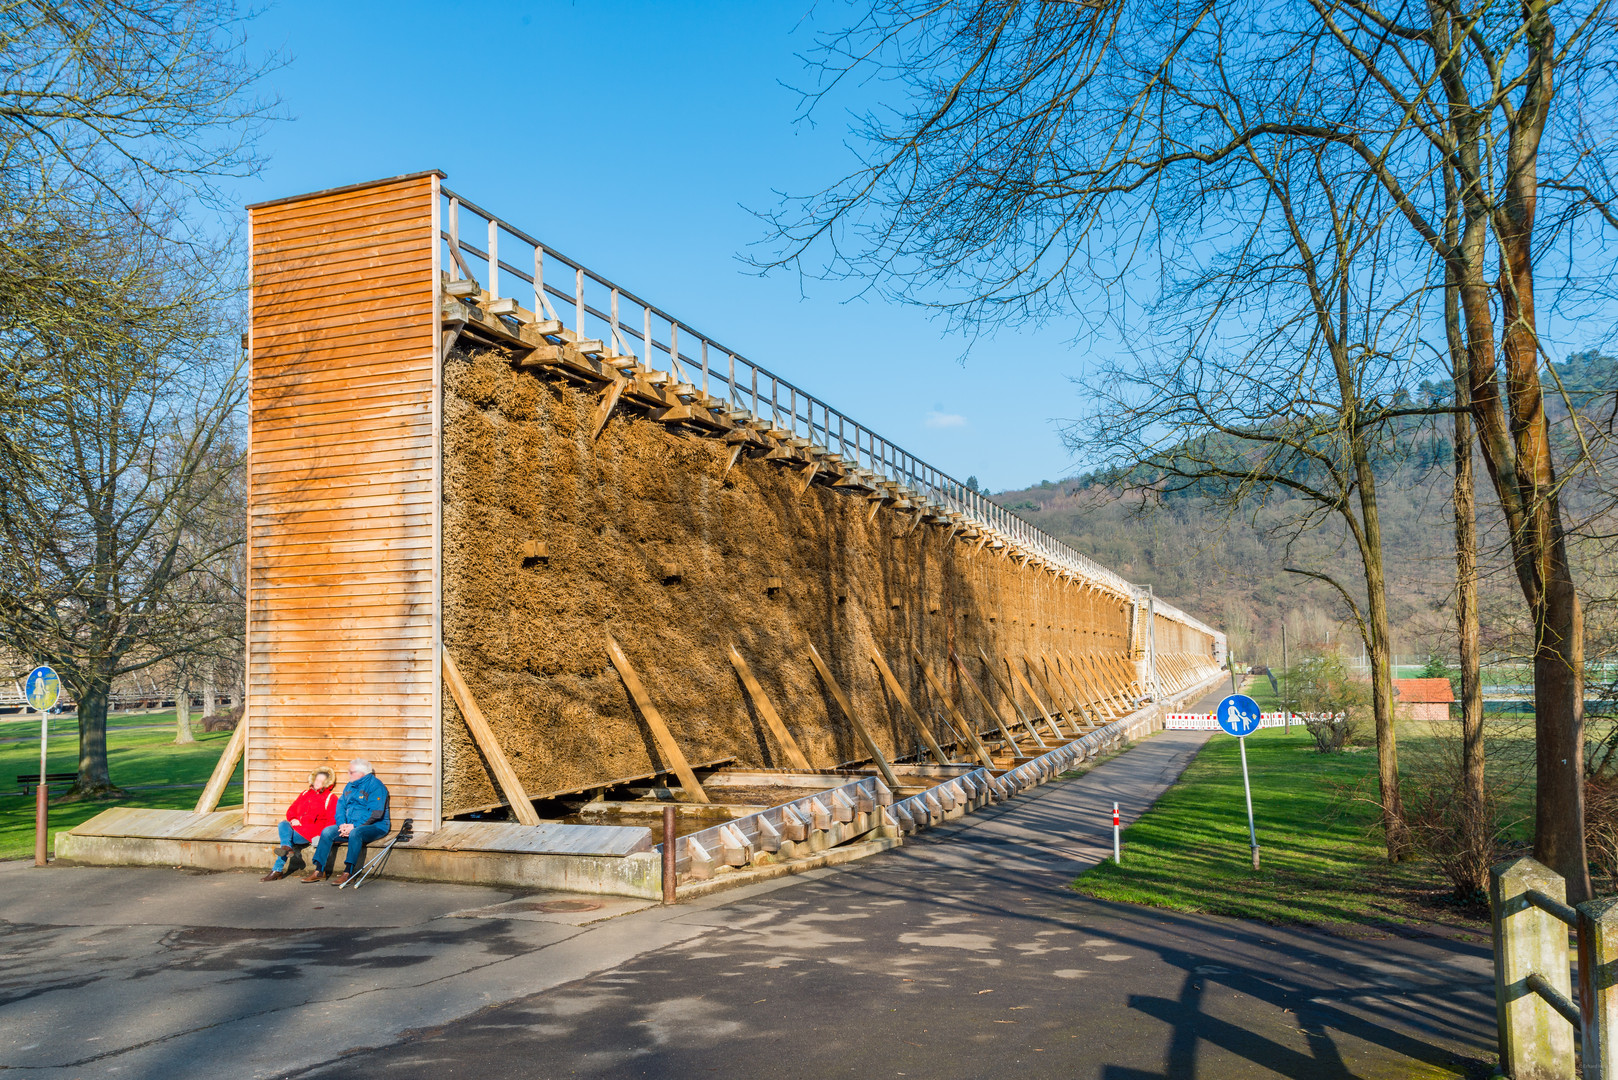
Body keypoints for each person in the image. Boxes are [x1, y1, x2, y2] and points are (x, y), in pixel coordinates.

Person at [302, 759, 390, 886]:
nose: (348, 774)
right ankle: (319, 870)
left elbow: (375, 813)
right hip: (349, 824)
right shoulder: (350, 785)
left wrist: (354, 826)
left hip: (375, 826)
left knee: (355, 833)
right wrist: (342, 824)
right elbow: (340, 806)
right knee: (327, 832)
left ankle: (348, 872)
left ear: (362, 773)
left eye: (351, 772)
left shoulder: (376, 786)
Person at [262, 767, 337, 881]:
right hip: (297, 830)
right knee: (283, 824)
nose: (317, 783)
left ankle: (277, 870)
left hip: (311, 833)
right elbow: (291, 810)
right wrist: (293, 819)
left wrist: (321, 835)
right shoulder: (305, 794)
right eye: (316, 780)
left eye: (321, 781)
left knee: (287, 838)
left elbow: (332, 820)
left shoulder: (330, 798)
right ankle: (286, 850)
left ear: (327, 783)